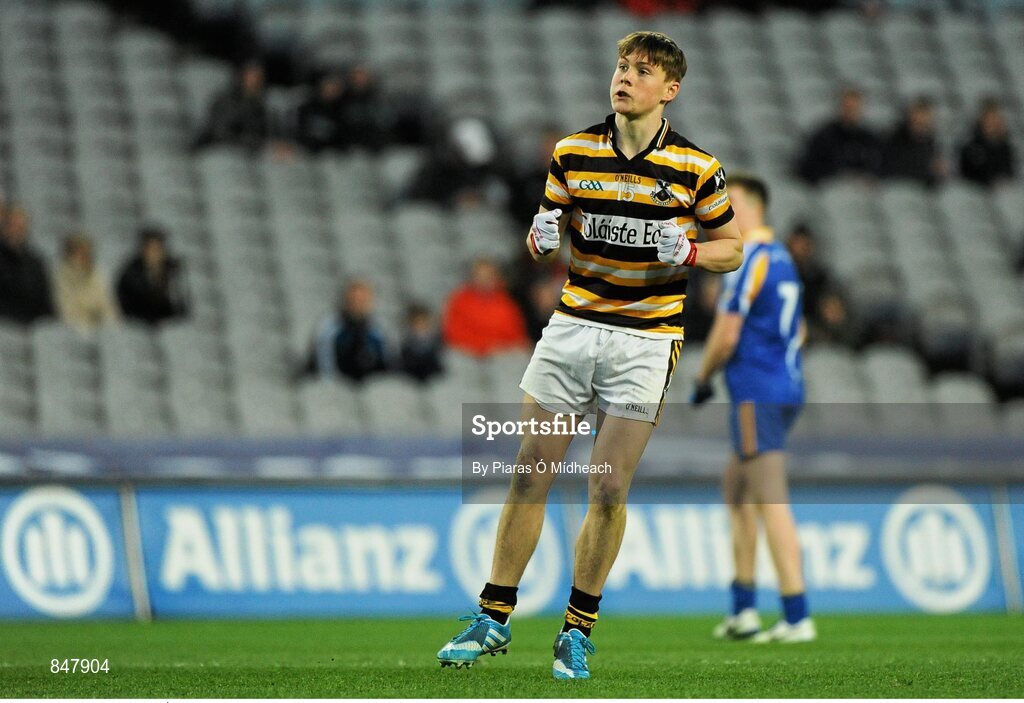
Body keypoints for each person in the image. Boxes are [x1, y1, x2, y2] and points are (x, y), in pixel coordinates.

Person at [436, 31, 743, 680]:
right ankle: (493, 617)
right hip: (574, 326)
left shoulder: (696, 168)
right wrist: (539, 237)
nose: (624, 77)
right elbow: (545, 229)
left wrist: (689, 252)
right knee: (528, 473)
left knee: (606, 484)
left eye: (642, 70)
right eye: (621, 66)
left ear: (671, 90)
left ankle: (576, 629)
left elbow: (732, 248)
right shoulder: (572, 152)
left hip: (646, 338)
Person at [688, 173, 815, 644]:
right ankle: (743, 610)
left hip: (757, 391)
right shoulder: (782, 258)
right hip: (781, 385)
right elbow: (799, 330)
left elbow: (728, 329)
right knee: (737, 490)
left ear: (755, 207)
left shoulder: (750, 257)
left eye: (732, 200)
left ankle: (797, 614)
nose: (724, 208)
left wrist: (703, 379)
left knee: (768, 499)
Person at [303, 279, 389, 382]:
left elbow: (389, 365)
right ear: (346, 300)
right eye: (354, 300)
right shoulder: (328, 325)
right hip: (335, 388)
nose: (358, 304)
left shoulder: (380, 328)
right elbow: (324, 366)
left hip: (372, 388)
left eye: (363, 300)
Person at [441, 258, 530, 357]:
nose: (484, 280)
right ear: (472, 278)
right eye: (480, 276)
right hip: (467, 352)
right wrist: (484, 347)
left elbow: (518, 337)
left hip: (499, 355)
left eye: (488, 276)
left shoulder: (507, 304)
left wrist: (499, 347)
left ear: (496, 277)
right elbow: (453, 334)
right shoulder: (459, 301)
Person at [797, 87, 881, 183]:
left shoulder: (870, 138)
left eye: (855, 108)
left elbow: (876, 166)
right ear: (840, 107)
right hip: (829, 188)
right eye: (847, 107)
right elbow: (809, 167)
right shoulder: (824, 136)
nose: (851, 112)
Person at [116, 227, 189, 325]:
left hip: (170, 326)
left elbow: (182, 305)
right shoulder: (130, 274)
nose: (155, 254)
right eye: (151, 249)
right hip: (138, 326)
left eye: (158, 248)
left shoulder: (174, 272)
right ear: (143, 250)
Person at [195, 60, 271, 152]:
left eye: (259, 78)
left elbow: (260, 134)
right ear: (242, 78)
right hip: (217, 149)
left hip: (247, 153)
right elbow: (220, 133)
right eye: (252, 77)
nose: (255, 82)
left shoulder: (260, 105)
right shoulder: (226, 101)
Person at [53, 234, 121, 336]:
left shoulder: (97, 273)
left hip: (100, 329)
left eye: (87, 252)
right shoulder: (61, 275)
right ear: (69, 254)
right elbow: (67, 312)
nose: (84, 256)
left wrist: (109, 328)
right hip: (74, 331)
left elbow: (108, 307)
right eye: (79, 252)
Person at [0, 204, 55, 324]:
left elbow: (44, 300)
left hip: (33, 323)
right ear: (4, 227)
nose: (16, 229)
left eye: (20, 225)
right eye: (12, 225)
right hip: (7, 322)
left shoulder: (36, 261)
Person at [883, 97, 944, 186]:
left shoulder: (930, 142)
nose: (921, 124)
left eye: (925, 123)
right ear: (910, 117)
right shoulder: (894, 139)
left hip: (922, 191)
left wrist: (937, 173)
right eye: (917, 121)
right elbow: (893, 170)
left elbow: (934, 178)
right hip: (898, 187)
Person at [959, 98, 1016, 186]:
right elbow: (966, 175)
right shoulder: (970, 147)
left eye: (995, 118)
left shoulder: (1006, 147)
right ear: (981, 120)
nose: (992, 123)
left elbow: (1009, 173)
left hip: (1001, 193)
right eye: (989, 118)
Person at [294, 71, 346, 153]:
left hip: (331, 153)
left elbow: (342, 136)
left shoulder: (341, 110)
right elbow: (300, 130)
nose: (330, 91)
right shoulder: (308, 107)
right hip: (307, 149)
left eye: (334, 89)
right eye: (328, 87)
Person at [399, 303, 444, 382]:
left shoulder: (438, 344)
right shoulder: (406, 346)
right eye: (417, 323)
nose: (421, 326)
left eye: (424, 322)